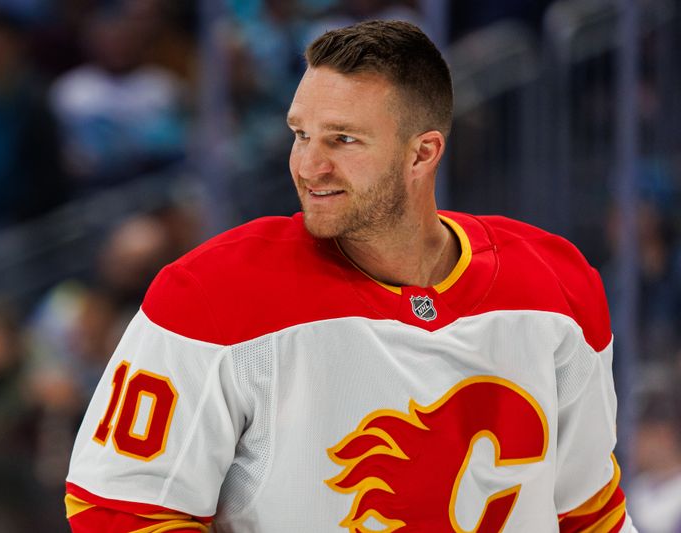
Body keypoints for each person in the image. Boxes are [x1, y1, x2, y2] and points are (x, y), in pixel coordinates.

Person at [65, 20, 636, 531]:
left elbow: (589, 513)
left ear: (423, 153)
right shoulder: (210, 295)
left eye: (343, 139)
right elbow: (120, 511)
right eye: (300, 134)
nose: (309, 166)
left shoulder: (556, 285)